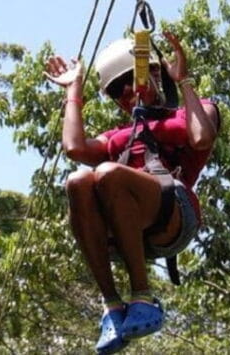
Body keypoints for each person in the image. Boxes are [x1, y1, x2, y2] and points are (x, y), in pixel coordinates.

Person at [44, 31, 220, 354]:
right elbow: (74, 147)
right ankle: (112, 305)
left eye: (129, 80)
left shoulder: (188, 114)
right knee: (78, 182)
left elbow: (201, 138)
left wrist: (182, 81)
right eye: (115, 90)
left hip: (176, 213)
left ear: (154, 73)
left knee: (108, 173)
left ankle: (142, 295)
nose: (126, 92)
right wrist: (74, 91)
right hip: (133, 228)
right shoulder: (119, 136)